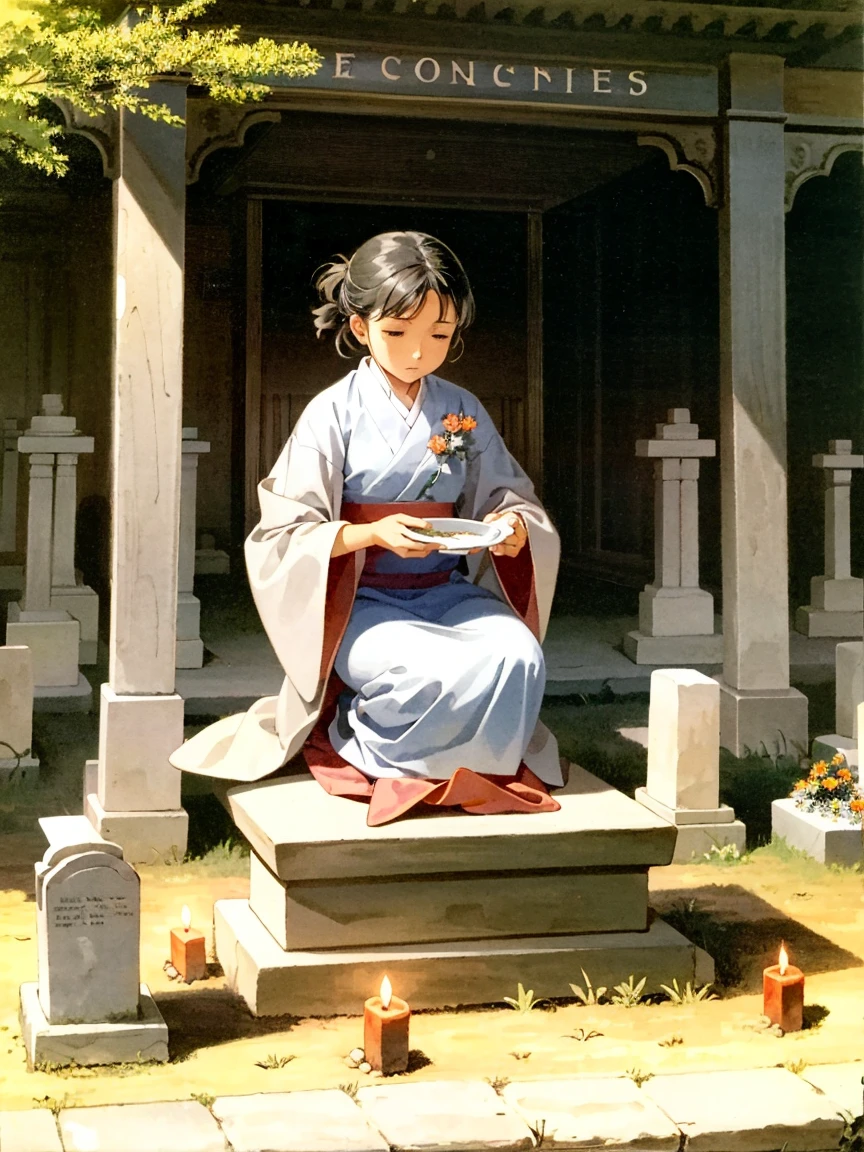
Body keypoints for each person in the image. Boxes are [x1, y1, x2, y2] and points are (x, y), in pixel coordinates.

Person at [171, 231, 563, 825]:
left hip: (445, 589)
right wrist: (370, 535)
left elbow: (507, 494)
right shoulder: (332, 411)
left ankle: (472, 770)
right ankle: (365, 746)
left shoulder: (463, 409)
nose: (417, 352)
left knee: (517, 655)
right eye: (397, 333)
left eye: (438, 334)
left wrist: (511, 527)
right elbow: (284, 531)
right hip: (361, 596)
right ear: (360, 328)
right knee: (416, 672)